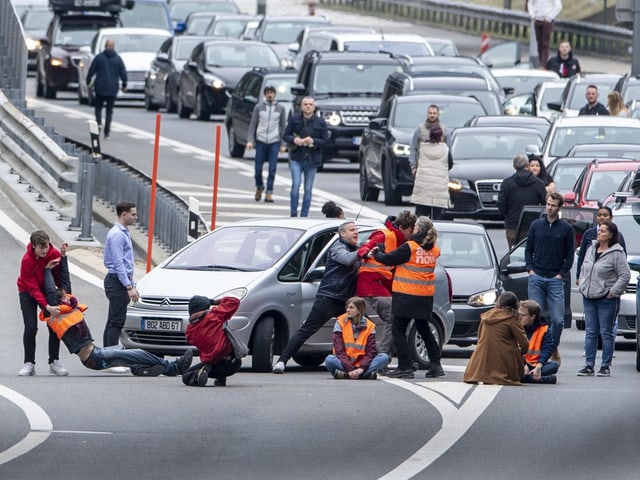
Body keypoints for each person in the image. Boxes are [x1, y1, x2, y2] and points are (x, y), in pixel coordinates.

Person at [40, 250, 193, 376]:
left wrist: (63, 257)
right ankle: (172, 367)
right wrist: (46, 270)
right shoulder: (55, 311)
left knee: (132, 353)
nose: (66, 296)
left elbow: (66, 283)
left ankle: (141, 368)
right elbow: (49, 291)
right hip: (94, 358)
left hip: (97, 352)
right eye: (62, 295)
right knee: (135, 352)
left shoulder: (68, 303)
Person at [273, 221, 360, 373]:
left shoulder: (357, 250)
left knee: (357, 330)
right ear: (342, 234)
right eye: (352, 230)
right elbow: (347, 259)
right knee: (307, 330)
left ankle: (355, 364)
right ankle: (282, 361)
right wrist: (364, 251)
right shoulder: (337, 247)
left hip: (346, 300)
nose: (356, 232)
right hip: (328, 297)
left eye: (357, 230)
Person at [372, 216, 444, 379]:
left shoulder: (409, 247)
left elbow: (388, 259)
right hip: (424, 296)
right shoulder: (433, 249)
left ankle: (405, 366)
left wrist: (378, 252)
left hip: (406, 295)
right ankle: (435, 364)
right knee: (424, 329)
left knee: (398, 330)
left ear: (418, 229)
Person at [356, 211, 416, 357]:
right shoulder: (385, 235)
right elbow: (365, 247)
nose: (412, 233)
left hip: (382, 286)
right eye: (410, 230)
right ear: (402, 227)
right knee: (393, 317)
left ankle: (396, 355)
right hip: (372, 284)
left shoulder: (404, 241)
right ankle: (383, 355)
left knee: (398, 319)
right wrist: (367, 253)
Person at [525, 191, 574, 364]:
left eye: (553, 205)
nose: (549, 208)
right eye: (547, 204)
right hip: (537, 276)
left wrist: (561, 274)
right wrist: (530, 270)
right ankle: (533, 352)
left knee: (558, 320)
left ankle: (552, 346)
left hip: (555, 278)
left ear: (559, 207)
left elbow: (570, 255)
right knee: (533, 318)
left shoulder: (566, 228)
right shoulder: (536, 225)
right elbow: (528, 249)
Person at [577, 221, 630, 377]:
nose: (599, 233)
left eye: (603, 231)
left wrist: (613, 292)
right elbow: (584, 268)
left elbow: (625, 275)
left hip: (606, 299)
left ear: (610, 235)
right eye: (599, 230)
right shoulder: (591, 248)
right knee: (591, 331)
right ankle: (588, 365)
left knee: (606, 332)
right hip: (589, 296)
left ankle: (605, 366)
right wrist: (582, 285)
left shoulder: (616, 253)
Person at [17, 230, 68, 376]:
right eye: (41, 248)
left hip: (47, 289)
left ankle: (54, 362)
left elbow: (60, 276)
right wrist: (47, 307)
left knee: (54, 324)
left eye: (46, 247)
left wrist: (62, 294)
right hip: (27, 291)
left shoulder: (53, 254)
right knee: (31, 327)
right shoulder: (27, 260)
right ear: (33, 246)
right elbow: (32, 288)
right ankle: (29, 363)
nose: (45, 250)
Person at [463, 292, 529, 385]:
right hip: (502, 364)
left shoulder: (486, 317)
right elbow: (524, 342)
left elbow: (480, 336)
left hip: (479, 367)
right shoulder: (511, 319)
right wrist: (522, 353)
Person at [181, 296, 243, 387]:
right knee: (222, 345)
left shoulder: (190, 331)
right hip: (233, 362)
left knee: (186, 375)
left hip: (214, 365)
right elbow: (234, 301)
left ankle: (199, 375)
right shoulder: (215, 315)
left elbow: (192, 339)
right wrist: (214, 302)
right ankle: (220, 378)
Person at [324, 296, 390, 380]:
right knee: (329, 360)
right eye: (347, 307)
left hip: (362, 365)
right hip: (344, 364)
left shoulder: (369, 326)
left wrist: (361, 369)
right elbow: (339, 351)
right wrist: (350, 369)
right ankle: (365, 375)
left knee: (384, 357)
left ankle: (346, 375)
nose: (347, 310)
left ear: (359, 310)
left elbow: (371, 352)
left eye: (351, 308)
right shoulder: (340, 323)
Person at [283, 96, 328, 217]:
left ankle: (304, 215)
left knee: (308, 188)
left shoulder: (320, 122)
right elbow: (285, 135)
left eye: (310, 104)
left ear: (314, 107)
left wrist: (313, 141)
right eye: (305, 104)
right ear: (301, 106)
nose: (308, 106)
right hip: (296, 157)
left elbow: (325, 141)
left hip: (312, 159)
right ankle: (293, 213)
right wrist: (295, 140)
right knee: (295, 185)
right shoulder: (295, 119)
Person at [103, 201, 138, 349]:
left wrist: (132, 283)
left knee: (113, 320)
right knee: (116, 321)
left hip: (120, 281)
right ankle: (111, 357)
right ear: (124, 214)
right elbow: (119, 263)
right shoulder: (117, 235)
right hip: (116, 281)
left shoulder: (123, 232)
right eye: (133, 214)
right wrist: (129, 286)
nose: (135, 217)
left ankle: (107, 355)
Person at [246, 85, 287, 203]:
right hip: (261, 140)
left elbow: (283, 126)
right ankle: (259, 185)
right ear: (264, 94)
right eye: (267, 93)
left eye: (271, 93)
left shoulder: (280, 108)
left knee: (272, 168)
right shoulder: (259, 107)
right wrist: (250, 140)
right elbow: (253, 124)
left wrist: (283, 144)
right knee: (258, 167)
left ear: (275, 94)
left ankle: (269, 192)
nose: (269, 95)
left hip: (274, 140)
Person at [497, 154, 546, 249]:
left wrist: (507, 214)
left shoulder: (507, 183)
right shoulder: (538, 183)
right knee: (531, 251)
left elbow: (502, 203)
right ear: (527, 165)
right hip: (532, 224)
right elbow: (544, 204)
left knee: (513, 252)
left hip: (512, 224)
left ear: (514, 166)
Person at [86, 38, 127, 140]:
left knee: (98, 108)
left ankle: (99, 124)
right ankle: (107, 132)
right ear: (113, 47)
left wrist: (88, 82)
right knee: (109, 111)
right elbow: (123, 72)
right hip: (112, 89)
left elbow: (91, 71)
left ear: (105, 46)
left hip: (100, 88)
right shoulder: (118, 59)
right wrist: (124, 84)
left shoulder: (99, 58)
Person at [409, 125, 452, 220]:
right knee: (437, 217)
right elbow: (450, 164)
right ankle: (435, 233)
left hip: (423, 187)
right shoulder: (445, 149)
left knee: (421, 217)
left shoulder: (422, 148)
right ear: (441, 136)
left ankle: (421, 234)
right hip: (439, 188)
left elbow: (415, 157)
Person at [576, 205, 627, 286]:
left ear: (611, 217)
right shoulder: (589, 233)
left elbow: (623, 260)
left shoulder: (618, 236)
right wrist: (578, 276)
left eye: (605, 215)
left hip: (608, 283)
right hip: (589, 282)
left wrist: (614, 289)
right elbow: (582, 256)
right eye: (599, 215)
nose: (602, 217)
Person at [518, 300, 559, 384]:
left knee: (554, 365)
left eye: (523, 315)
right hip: (518, 363)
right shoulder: (516, 327)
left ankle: (526, 377)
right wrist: (523, 364)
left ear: (533, 316)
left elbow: (547, 350)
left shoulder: (544, 330)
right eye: (518, 314)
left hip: (535, 364)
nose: (520, 317)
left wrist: (539, 367)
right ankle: (541, 379)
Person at [527, 0, 563, 67]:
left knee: (545, 43)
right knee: (539, 43)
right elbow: (530, 3)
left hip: (547, 20)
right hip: (537, 19)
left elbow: (558, 6)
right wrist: (532, 15)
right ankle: (540, 61)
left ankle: (543, 64)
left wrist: (550, 17)